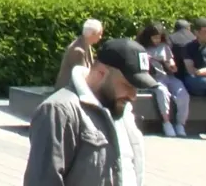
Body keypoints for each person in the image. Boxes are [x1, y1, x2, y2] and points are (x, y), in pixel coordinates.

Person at [23, 39, 157, 186]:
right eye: (127, 85)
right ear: (101, 73)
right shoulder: (60, 110)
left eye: (137, 88)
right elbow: (43, 181)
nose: (133, 96)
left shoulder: (123, 111)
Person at [135, 23, 189, 137]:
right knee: (162, 92)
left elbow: (171, 64)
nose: (157, 40)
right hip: (154, 78)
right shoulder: (142, 48)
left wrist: (171, 66)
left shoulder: (165, 47)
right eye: (154, 37)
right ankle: (166, 122)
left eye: (159, 37)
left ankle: (180, 124)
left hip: (168, 76)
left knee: (182, 93)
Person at [54, 19, 103, 90]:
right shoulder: (78, 51)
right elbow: (83, 78)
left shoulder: (87, 44)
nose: (100, 37)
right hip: (67, 91)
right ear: (93, 34)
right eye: (100, 34)